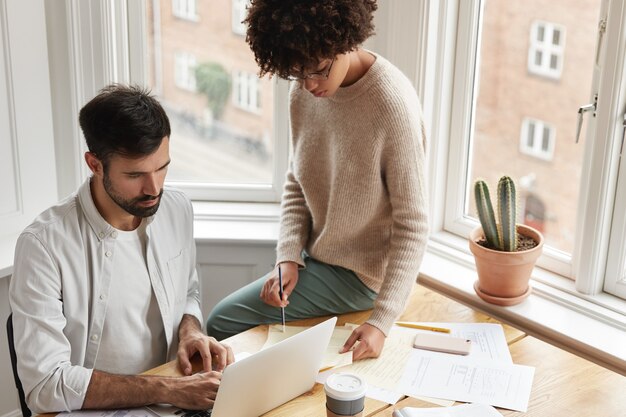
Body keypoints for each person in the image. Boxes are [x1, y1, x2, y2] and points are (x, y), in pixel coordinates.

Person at [206, 0, 429, 360]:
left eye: (319, 70)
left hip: (361, 275)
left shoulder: (392, 105)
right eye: (297, 73)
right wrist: (288, 256)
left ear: (346, 41)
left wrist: (381, 322)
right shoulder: (304, 91)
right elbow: (297, 180)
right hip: (316, 255)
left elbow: (414, 225)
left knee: (221, 322)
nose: (309, 84)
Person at [9, 84, 234, 414]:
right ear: (95, 164)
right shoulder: (43, 245)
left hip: (174, 398)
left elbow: (188, 291)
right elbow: (46, 384)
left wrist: (190, 331)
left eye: (162, 167)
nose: (154, 188)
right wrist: (168, 389)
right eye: (135, 175)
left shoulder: (177, 209)